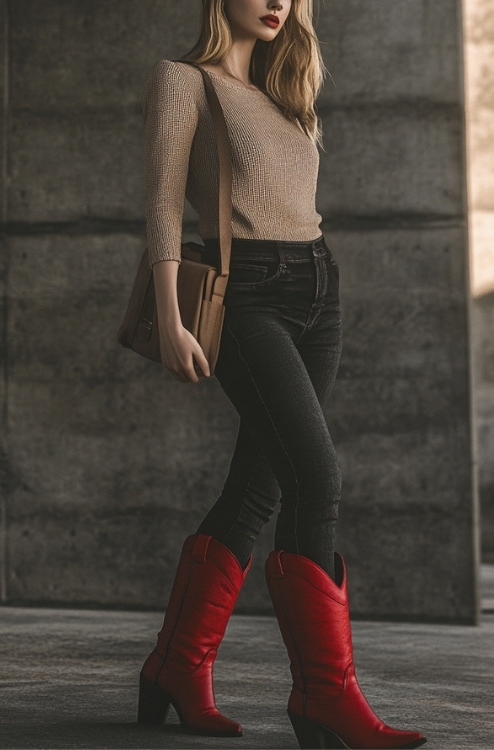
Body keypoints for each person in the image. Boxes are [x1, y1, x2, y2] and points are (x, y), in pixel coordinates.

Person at [136, 1, 426, 748]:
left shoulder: (282, 89)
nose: (279, 1)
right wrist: (170, 318)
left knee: (258, 487)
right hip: (248, 295)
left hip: (319, 290)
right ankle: (325, 700)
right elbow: (166, 202)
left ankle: (175, 667)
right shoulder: (185, 81)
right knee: (315, 476)